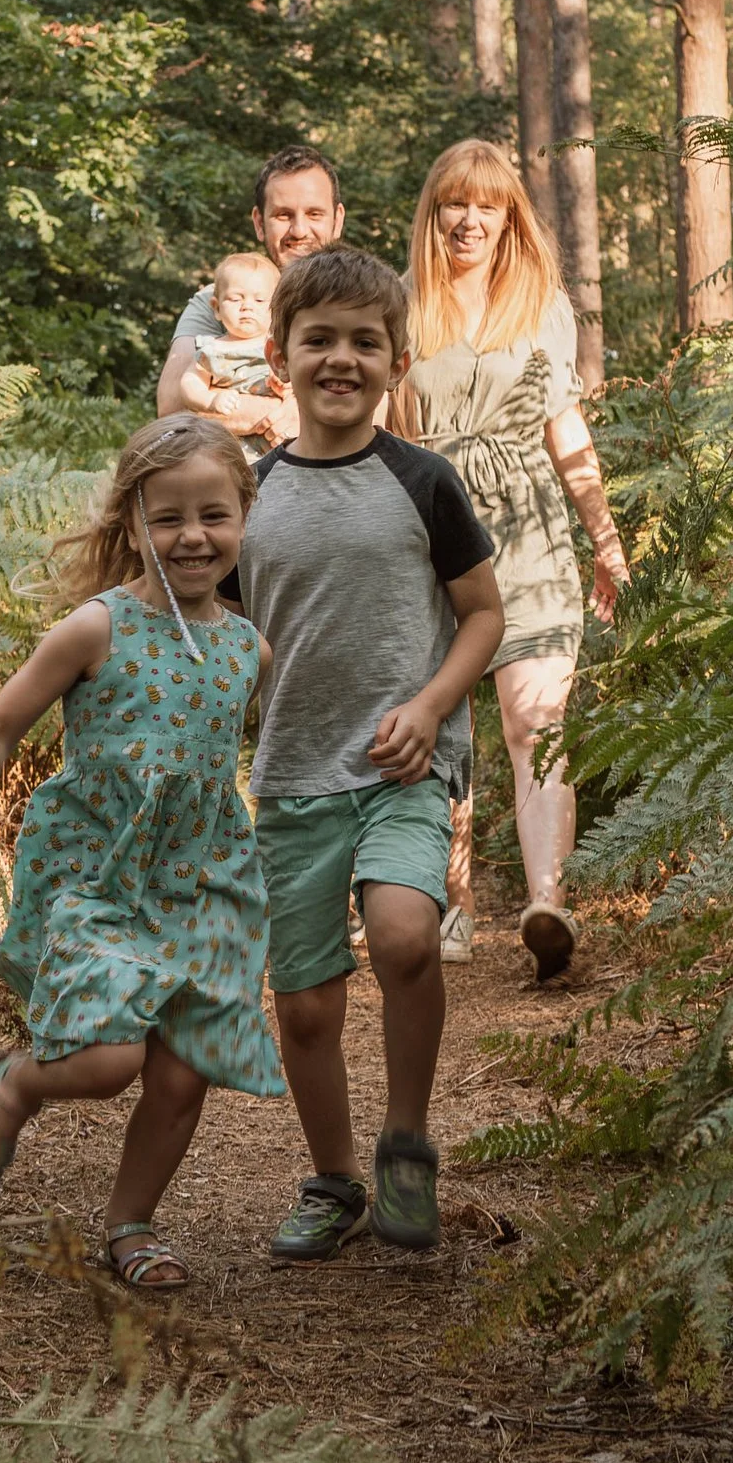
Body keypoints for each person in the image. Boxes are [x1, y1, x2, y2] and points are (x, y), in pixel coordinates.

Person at [0, 418, 282, 1292]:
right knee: (110, 1058)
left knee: (181, 1070)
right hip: (100, 872)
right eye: (168, 519)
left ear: (244, 518)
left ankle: (131, 1224)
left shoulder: (249, 647)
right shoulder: (96, 628)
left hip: (203, 880)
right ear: (133, 524)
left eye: (214, 515)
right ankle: (14, 1087)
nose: (193, 537)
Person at [239, 244, 505, 1261]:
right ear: (280, 358)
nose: (340, 359)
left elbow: (481, 615)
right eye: (319, 341)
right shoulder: (248, 491)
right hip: (294, 775)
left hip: (404, 766)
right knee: (303, 1001)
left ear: (397, 360)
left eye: (364, 341)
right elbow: (220, 641)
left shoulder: (421, 481)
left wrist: (433, 706)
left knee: (402, 937)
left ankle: (406, 1143)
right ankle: (333, 1178)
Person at [403, 139, 629, 983]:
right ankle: (451, 910)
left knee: (536, 726)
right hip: (431, 533)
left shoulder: (542, 305)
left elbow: (565, 431)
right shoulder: (404, 305)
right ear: (436, 213)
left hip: (531, 532)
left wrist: (604, 536)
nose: (470, 220)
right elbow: (390, 431)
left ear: (508, 218)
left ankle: (546, 903)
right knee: (440, 728)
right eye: (455, 204)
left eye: (487, 206)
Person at [156, 144, 344, 433]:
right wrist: (292, 414)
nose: (299, 230)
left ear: (337, 220)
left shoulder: (360, 303)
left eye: (315, 214)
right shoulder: (218, 299)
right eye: (283, 215)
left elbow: (377, 412)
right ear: (259, 223)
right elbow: (171, 408)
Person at [186, 250, 289, 446]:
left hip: (279, 442)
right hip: (228, 444)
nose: (247, 307)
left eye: (259, 300)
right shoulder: (213, 349)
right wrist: (210, 400)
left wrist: (288, 387)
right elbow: (190, 382)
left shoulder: (281, 346)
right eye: (235, 299)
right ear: (216, 308)